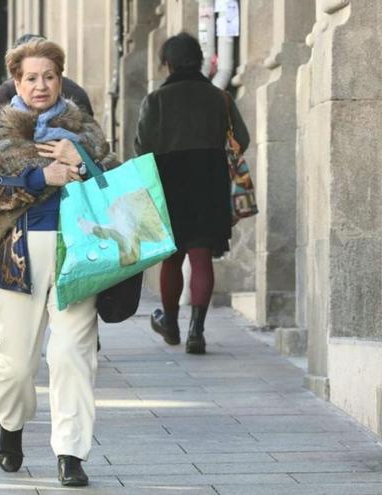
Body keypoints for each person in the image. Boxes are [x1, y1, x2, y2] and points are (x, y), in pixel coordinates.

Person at [0, 38, 118, 487]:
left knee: (72, 353)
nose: (40, 85)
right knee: (16, 363)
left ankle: (71, 453)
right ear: (17, 81)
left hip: (80, 254)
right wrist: (40, 177)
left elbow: (117, 188)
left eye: (49, 76)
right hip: (15, 256)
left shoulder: (85, 129)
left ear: (61, 79)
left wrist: (85, 163)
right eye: (31, 77)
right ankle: (11, 426)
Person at [136, 32, 250, 355]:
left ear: (167, 64)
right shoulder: (219, 98)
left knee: (172, 258)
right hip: (209, 181)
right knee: (201, 257)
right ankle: (196, 331)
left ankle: (170, 323)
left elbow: (141, 148)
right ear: (199, 61)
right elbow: (242, 138)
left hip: (169, 183)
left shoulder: (155, 101)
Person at [0, 34, 94, 117]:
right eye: (31, 79)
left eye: (49, 77)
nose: (41, 86)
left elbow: (96, 142)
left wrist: (76, 144)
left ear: (59, 82)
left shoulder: (83, 126)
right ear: (17, 85)